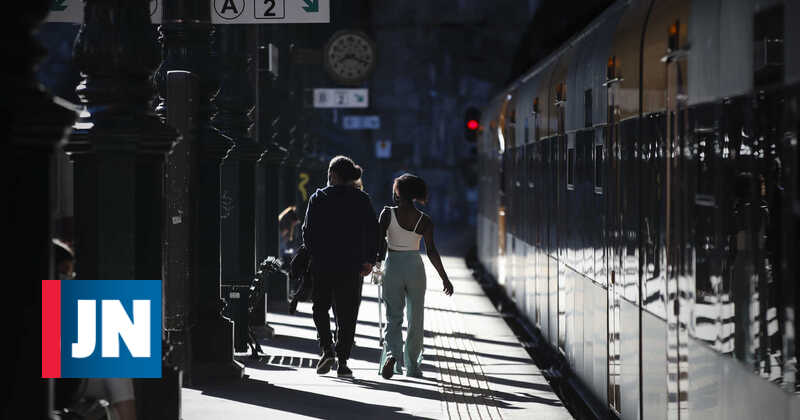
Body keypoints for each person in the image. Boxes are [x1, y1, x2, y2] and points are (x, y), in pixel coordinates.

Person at [302, 155, 379, 377]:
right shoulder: (362, 199)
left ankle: (327, 348)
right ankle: (343, 360)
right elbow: (373, 232)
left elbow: (308, 233)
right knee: (347, 313)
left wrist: (315, 255)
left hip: (324, 264)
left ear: (333, 175)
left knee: (320, 307)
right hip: (351, 266)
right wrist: (369, 260)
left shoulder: (318, 198)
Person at [377, 173, 454, 379]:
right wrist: (444, 278)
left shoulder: (387, 214)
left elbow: (378, 244)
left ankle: (392, 355)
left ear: (398, 192)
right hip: (415, 268)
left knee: (393, 317)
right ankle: (412, 366)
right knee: (415, 318)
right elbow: (431, 251)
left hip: (392, 265)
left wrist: (376, 266)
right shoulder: (425, 220)